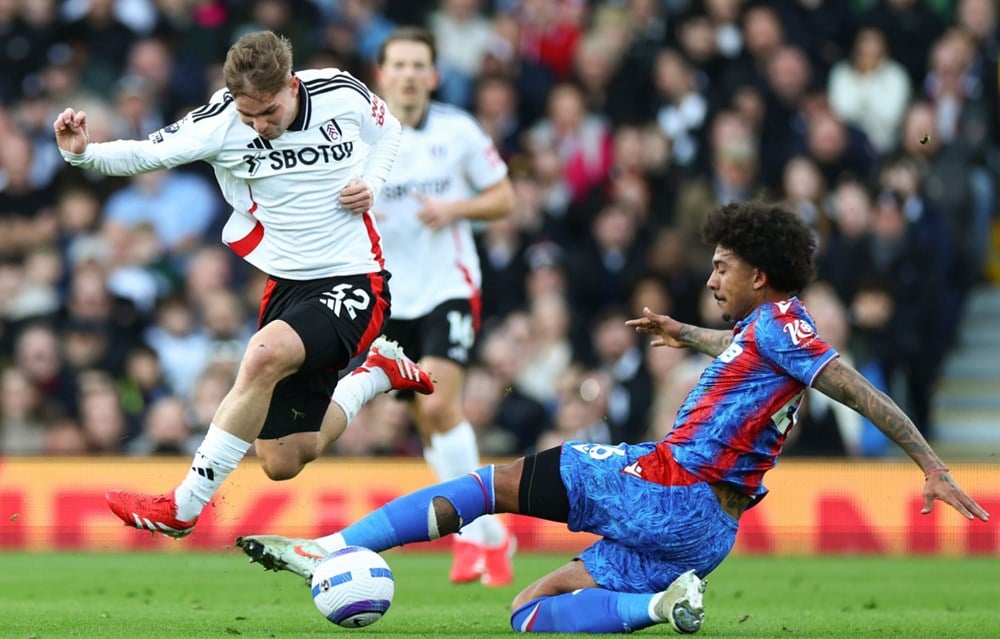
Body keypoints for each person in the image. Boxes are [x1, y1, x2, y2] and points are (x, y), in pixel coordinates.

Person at [236, 201, 990, 633]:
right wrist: (682, 333)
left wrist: (930, 462)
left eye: (723, 267)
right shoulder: (765, 333)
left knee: (490, 483)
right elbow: (736, 345)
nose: (712, 276)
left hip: (663, 482)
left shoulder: (790, 328)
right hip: (709, 530)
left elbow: (859, 391)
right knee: (529, 613)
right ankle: (660, 603)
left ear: (760, 275)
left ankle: (329, 546)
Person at [53, 30, 435, 537]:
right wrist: (83, 155)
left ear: (291, 85)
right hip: (288, 287)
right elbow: (148, 153)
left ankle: (182, 507)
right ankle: (376, 374)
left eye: (269, 112)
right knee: (282, 459)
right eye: (248, 114)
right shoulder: (220, 121)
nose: (259, 125)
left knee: (260, 355)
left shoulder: (339, 92)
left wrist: (373, 182)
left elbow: (387, 130)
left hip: (355, 278)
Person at [366, 27, 517, 586]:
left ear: (433, 74)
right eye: (398, 64)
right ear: (381, 74)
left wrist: (456, 208)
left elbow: (505, 196)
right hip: (387, 299)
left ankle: (473, 538)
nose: (408, 74)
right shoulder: (360, 136)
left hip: (449, 287)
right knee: (426, 424)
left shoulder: (457, 131)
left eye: (418, 65)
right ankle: (492, 539)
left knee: (439, 405)